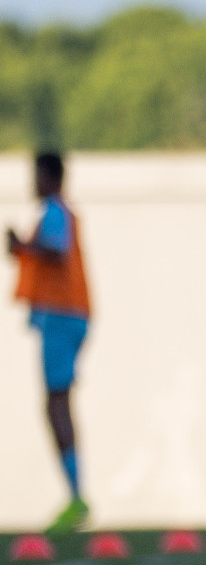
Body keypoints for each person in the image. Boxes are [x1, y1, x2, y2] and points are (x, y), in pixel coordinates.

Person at [7, 152, 92, 536]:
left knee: (57, 402)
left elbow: (55, 253)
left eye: (36, 174)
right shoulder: (57, 214)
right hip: (62, 316)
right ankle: (74, 494)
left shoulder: (56, 212)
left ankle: (76, 497)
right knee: (57, 402)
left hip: (62, 316)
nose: (32, 182)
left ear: (49, 176)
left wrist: (20, 248)